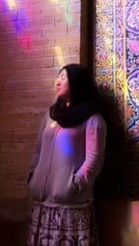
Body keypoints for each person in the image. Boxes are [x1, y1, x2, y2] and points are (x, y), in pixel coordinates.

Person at [26, 63, 107, 246]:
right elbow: (38, 149)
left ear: (77, 83)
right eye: (58, 76)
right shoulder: (51, 115)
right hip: (42, 206)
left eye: (64, 77)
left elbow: (93, 160)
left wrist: (74, 185)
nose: (58, 81)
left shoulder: (93, 119)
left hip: (71, 208)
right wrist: (32, 175)